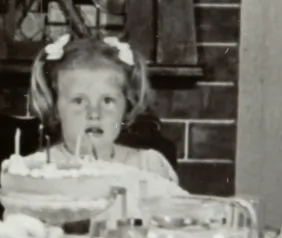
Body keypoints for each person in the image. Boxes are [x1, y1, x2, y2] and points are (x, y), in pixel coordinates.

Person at [27, 33, 178, 181]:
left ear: (126, 106)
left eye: (107, 101)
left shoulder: (149, 166)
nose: (94, 113)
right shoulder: (37, 171)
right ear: (55, 108)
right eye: (79, 101)